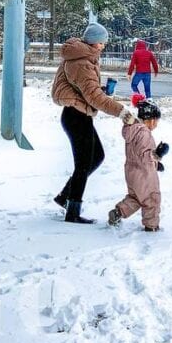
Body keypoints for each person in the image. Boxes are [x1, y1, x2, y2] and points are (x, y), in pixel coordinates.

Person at [51, 22, 135, 224]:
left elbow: (89, 92)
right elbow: (93, 96)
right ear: (93, 42)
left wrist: (101, 92)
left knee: (96, 156)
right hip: (75, 116)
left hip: (79, 114)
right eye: (101, 43)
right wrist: (121, 112)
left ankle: (64, 197)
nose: (103, 46)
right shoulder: (81, 62)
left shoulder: (83, 57)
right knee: (82, 165)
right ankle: (72, 210)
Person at [108, 94, 167, 232]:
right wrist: (158, 155)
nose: (156, 125)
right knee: (151, 199)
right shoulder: (144, 133)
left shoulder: (132, 130)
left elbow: (138, 153)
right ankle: (151, 226)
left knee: (136, 197)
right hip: (144, 174)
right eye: (156, 121)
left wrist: (157, 165)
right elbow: (146, 156)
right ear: (150, 120)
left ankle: (118, 212)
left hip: (131, 173)